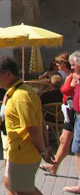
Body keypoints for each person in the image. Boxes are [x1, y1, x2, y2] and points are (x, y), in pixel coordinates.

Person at [0, 56, 52, 195]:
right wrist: (46, 146)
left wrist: (44, 150)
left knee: (20, 189)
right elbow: (40, 121)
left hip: (23, 151)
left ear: (8, 74)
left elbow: (33, 127)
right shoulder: (19, 91)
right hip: (17, 149)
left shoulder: (20, 96)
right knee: (11, 185)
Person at [40, 53, 78, 177]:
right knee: (64, 140)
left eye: (58, 63)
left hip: (72, 111)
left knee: (68, 142)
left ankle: (54, 166)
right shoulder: (70, 75)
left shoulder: (75, 76)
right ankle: (54, 167)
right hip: (68, 110)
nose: (56, 65)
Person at [62, 50, 80, 194]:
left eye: (74, 65)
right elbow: (66, 90)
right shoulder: (75, 76)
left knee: (76, 147)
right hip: (75, 113)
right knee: (76, 147)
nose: (72, 67)